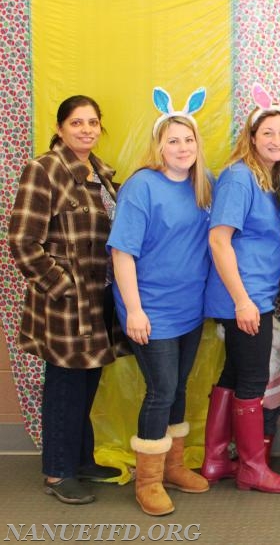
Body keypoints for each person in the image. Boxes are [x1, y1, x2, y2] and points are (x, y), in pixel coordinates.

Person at [9, 95, 124, 505]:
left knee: (87, 380)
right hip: (66, 304)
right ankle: (58, 473)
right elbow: (23, 242)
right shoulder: (45, 170)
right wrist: (63, 287)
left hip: (99, 299)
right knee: (65, 385)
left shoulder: (101, 173)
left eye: (93, 122)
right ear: (60, 128)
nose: (87, 130)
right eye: (77, 123)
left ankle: (82, 460)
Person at [109, 87, 213, 516]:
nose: (182, 147)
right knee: (161, 388)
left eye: (188, 139)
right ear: (158, 146)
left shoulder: (204, 184)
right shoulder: (141, 187)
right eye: (173, 140)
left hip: (190, 308)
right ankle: (147, 480)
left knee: (179, 386)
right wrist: (134, 309)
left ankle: (173, 466)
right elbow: (122, 253)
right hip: (150, 308)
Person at [202, 81, 280, 494]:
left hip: (254, 294)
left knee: (234, 372)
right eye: (268, 133)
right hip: (243, 297)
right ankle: (253, 468)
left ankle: (214, 461)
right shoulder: (240, 177)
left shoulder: (269, 179)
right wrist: (243, 301)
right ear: (252, 137)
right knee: (253, 380)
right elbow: (218, 239)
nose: (276, 140)